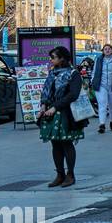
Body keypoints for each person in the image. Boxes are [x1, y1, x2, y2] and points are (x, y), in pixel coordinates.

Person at [39, 46, 85, 188]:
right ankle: (60, 174)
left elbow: (73, 95)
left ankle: (70, 175)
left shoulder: (73, 74)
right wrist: (43, 105)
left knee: (66, 143)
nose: (51, 60)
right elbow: (47, 91)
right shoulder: (53, 73)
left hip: (66, 113)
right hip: (51, 112)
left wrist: (55, 107)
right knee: (55, 144)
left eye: (53, 57)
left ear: (62, 58)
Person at [91, 43, 112, 134]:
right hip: (101, 85)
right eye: (105, 49)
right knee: (102, 105)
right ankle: (102, 125)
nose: (107, 50)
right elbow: (94, 71)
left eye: (109, 49)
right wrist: (93, 80)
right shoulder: (98, 60)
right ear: (103, 51)